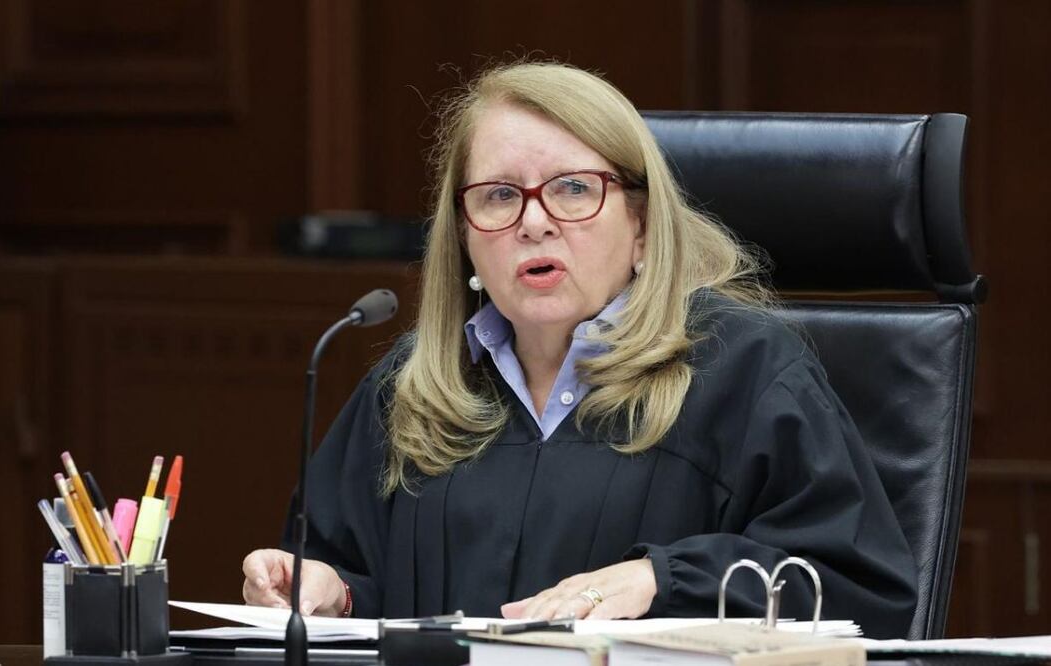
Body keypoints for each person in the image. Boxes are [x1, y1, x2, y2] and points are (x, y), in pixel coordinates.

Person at [241, 61, 917, 638]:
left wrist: (662, 581)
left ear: (644, 225)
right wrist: (332, 593)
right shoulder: (413, 387)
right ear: (465, 237)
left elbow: (855, 594)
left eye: (573, 189)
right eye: (500, 196)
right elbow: (368, 587)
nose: (534, 221)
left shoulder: (746, 372)